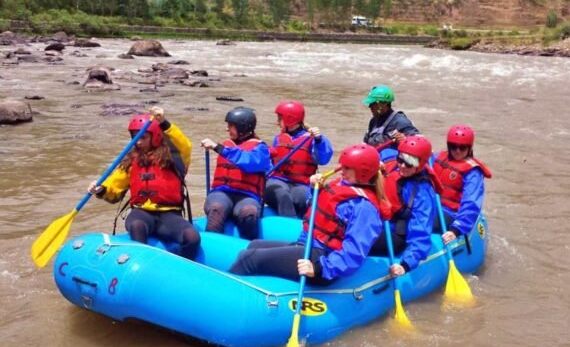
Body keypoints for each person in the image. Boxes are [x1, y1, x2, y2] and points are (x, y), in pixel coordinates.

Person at [229, 144, 388, 286]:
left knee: (248, 259)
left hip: (322, 260)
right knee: (254, 245)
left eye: (347, 168)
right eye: (342, 166)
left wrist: (319, 268)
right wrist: (314, 189)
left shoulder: (365, 208)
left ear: (363, 172)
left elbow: (354, 251)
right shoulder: (342, 186)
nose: (341, 171)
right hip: (308, 246)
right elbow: (315, 209)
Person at [88, 107, 201, 260]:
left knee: (192, 238)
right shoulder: (131, 161)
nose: (138, 142)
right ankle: (140, 264)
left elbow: (184, 145)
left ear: (155, 137)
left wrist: (164, 123)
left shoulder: (174, 158)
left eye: (143, 137)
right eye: (135, 137)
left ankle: (181, 269)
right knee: (137, 226)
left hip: (169, 214)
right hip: (141, 213)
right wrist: (101, 189)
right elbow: (114, 185)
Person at [369, 135, 441, 278]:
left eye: (409, 163)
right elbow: (376, 153)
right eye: (400, 159)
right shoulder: (391, 163)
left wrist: (406, 264)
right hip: (377, 222)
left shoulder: (422, 193)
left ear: (420, 164)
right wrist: (372, 163)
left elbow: (421, 230)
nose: (402, 165)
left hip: (395, 234)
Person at [200, 107, 272, 240]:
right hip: (221, 193)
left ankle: (249, 250)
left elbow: (249, 162)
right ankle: (212, 246)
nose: (227, 129)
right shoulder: (228, 145)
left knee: (248, 212)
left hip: (247, 196)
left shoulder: (261, 149)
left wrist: (218, 148)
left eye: (231, 126)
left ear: (242, 128)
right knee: (217, 208)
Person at [264, 100, 333, 218]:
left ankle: (301, 224)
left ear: (289, 120)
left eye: (280, 119)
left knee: (302, 199)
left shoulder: (312, 139)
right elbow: (270, 163)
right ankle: (289, 227)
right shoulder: (278, 138)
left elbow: (323, 159)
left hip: (301, 184)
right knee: (282, 194)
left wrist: (319, 141)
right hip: (278, 179)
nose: (277, 123)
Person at [431, 124, 492, 245]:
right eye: (453, 147)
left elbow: (471, 202)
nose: (457, 151)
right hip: (430, 206)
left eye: (462, 148)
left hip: (450, 213)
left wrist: (457, 229)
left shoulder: (473, 172)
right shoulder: (437, 157)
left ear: (469, 148)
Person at [361, 85, 419, 163]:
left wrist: (406, 140)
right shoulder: (373, 121)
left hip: (392, 164)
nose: (369, 106)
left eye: (372, 104)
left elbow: (421, 143)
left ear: (382, 104)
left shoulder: (400, 121)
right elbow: (365, 145)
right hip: (376, 163)